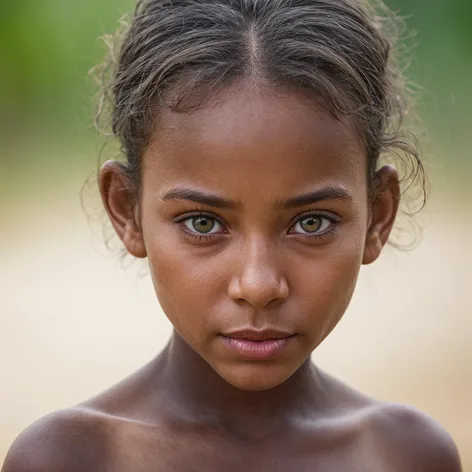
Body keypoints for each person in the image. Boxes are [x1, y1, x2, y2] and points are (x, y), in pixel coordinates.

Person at [2, 0, 462, 470]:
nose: (259, 286)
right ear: (127, 210)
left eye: (312, 223)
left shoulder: (405, 455)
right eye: (203, 223)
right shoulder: (73, 458)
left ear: (378, 215)